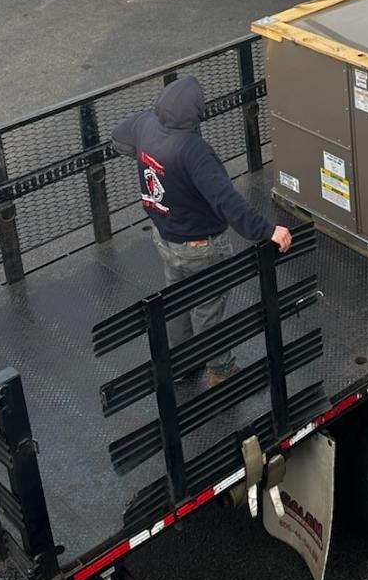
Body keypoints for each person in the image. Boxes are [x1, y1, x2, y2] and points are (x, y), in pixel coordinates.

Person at [111, 75, 292, 388]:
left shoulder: (146, 126)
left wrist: (146, 157)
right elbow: (226, 201)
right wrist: (266, 230)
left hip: (165, 237)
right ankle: (221, 372)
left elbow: (118, 138)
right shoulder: (193, 151)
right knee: (207, 310)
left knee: (177, 301)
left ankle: (181, 365)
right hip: (200, 246)